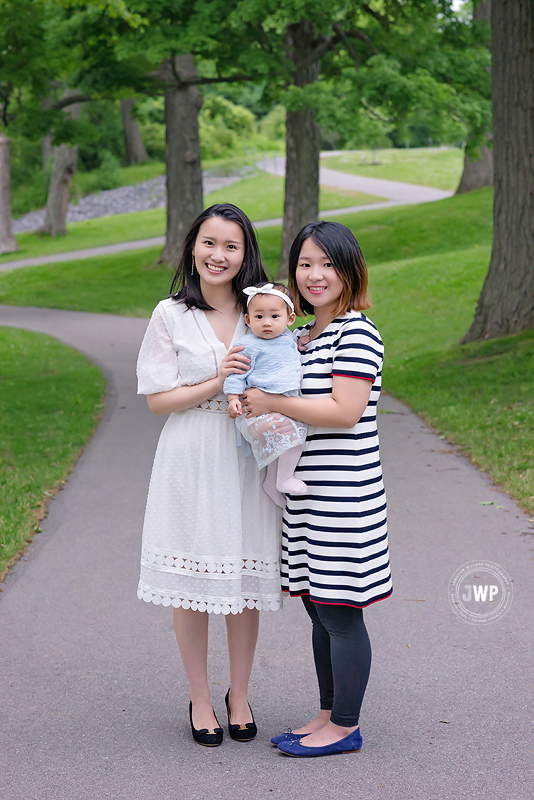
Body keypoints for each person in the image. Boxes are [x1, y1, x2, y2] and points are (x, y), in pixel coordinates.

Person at [241, 220, 393, 758]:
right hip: (307, 499)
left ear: (350, 270)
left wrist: (274, 402)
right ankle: (327, 714)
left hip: (343, 499)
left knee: (341, 613)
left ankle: (345, 727)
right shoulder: (306, 339)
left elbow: (345, 412)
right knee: (319, 608)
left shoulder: (357, 333)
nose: (315, 274)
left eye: (327, 263)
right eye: (305, 263)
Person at [136, 203, 283, 748]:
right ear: (191, 247)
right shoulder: (170, 314)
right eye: (209, 243)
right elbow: (157, 400)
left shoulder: (262, 310)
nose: (218, 255)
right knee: (193, 583)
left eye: (231, 246)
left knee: (243, 579)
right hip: (191, 450)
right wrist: (215, 381)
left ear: (246, 254)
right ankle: (200, 695)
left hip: (246, 454)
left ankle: (239, 693)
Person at [223, 282, 308, 506]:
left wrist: (300, 344)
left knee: (293, 437)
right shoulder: (248, 345)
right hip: (256, 412)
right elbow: (236, 374)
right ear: (248, 320)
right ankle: (284, 479)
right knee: (285, 430)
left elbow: (289, 351)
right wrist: (233, 399)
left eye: (274, 316)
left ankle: (272, 482)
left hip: (284, 405)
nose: (267, 323)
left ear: (289, 319)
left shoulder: (288, 338)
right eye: (259, 317)